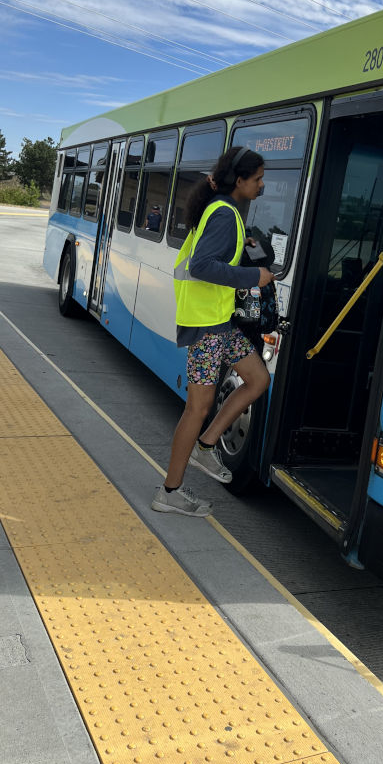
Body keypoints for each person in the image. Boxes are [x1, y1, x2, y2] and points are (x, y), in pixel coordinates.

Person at [151, 146, 275, 517]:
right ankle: (170, 491)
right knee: (197, 408)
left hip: (220, 324)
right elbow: (204, 265)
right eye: (257, 179)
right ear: (239, 181)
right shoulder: (224, 213)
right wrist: (254, 275)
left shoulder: (227, 212)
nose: (262, 185)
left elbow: (213, 257)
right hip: (207, 326)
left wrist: (243, 252)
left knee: (257, 379)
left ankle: (207, 445)